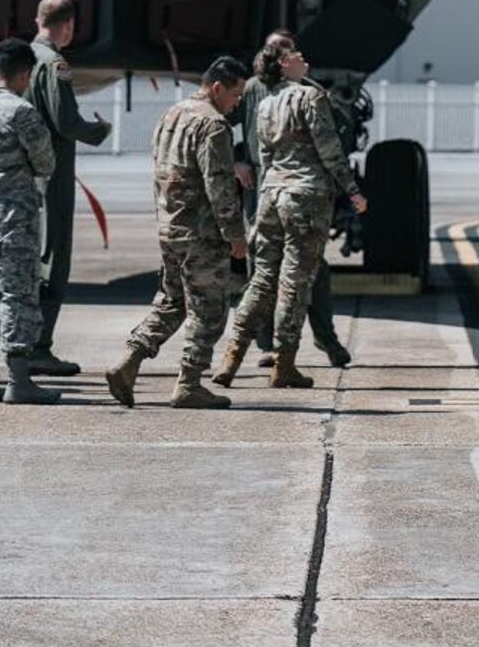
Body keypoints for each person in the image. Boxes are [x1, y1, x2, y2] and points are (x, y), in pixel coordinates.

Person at [214, 40, 366, 390]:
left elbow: (265, 157)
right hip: (305, 198)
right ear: (284, 63)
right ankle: (284, 364)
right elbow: (330, 151)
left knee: (263, 279)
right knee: (295, 283)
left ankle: (232, 357)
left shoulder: (265, 104)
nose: (304, 58)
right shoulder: (309, 98)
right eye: (297, 55)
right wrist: (353, 191)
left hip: (270, 195)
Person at [104, 55, 251, 410]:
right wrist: (235, 234)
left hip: (170, 228)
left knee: (172, 302)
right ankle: (189, 384)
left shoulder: (171, 115)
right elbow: (219, 186)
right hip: (201, 234)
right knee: (210, 311)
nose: (237, 104)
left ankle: (129, 359)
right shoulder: (214, 126)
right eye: (236, 95)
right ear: (217, 88)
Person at [0, 39, 58, 405]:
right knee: (18, 293)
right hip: (14, 214)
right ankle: (19, 380)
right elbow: (46, 163)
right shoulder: (22, 112)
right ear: (24, 74)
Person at [27, 0, 111, 375]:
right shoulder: (55, 63)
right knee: (54, 257)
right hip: (53, 174)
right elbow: (66, 121)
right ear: (69, 24)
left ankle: (23, 342)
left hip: (25, 173)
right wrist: (99, 130)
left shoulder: (24, 57)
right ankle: (39, 347)